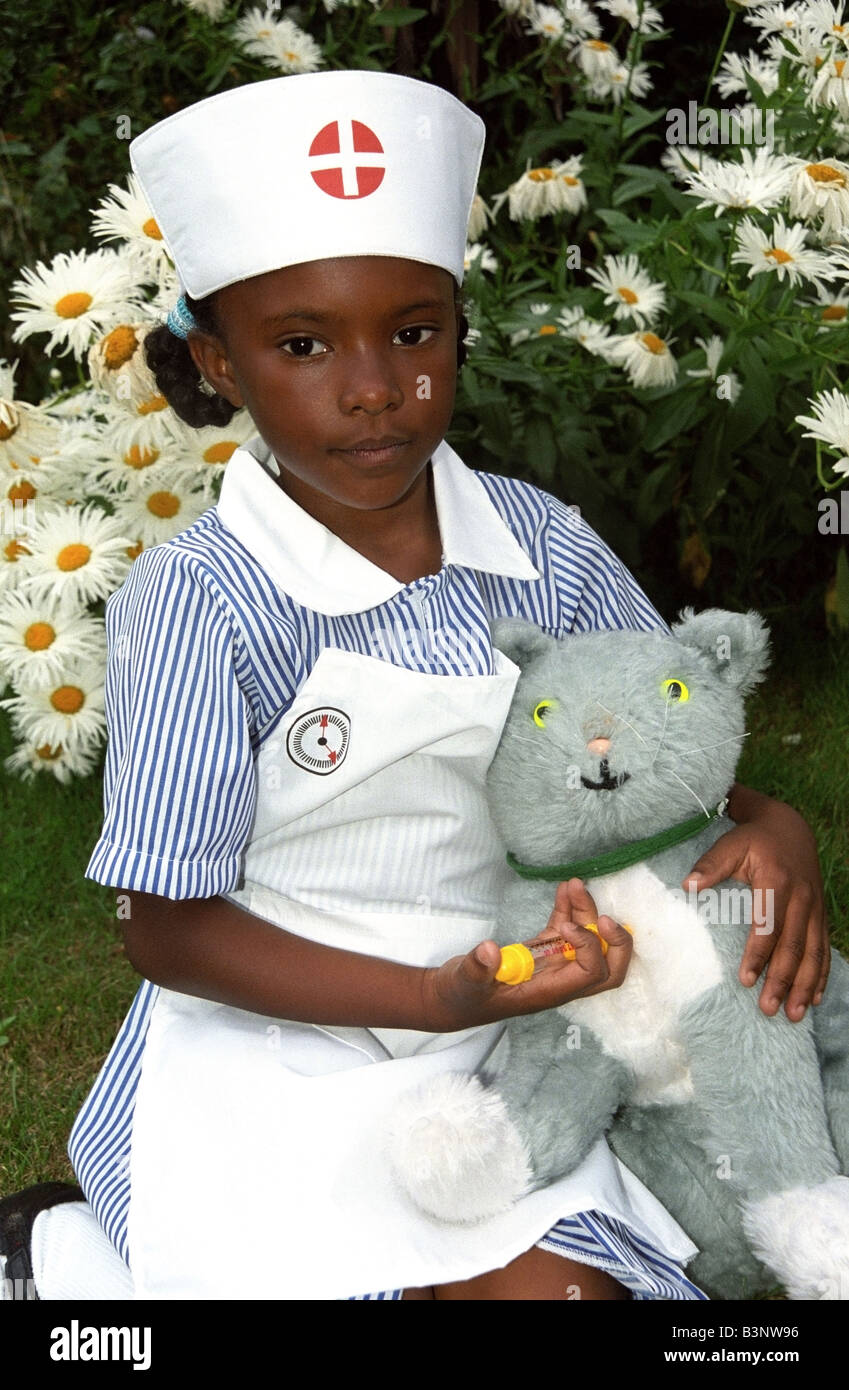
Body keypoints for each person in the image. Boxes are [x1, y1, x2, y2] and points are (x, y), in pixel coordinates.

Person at [1, 70, 829, 1303]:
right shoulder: (201, 598)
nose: (375, 385)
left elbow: (653, 765)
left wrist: (779, 829)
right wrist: (428, 997)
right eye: (302, 345)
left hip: (521, 1037)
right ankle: (64, 1263)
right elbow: (165, 927)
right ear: (220, 364)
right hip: (279, 1049)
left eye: (413, 330)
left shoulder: (538, 541)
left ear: (457, 329)